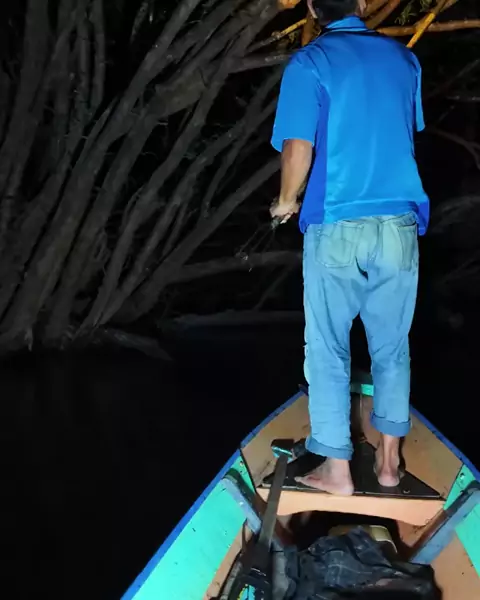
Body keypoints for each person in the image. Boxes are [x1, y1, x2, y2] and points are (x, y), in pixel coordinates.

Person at [270, 0, 429, 495]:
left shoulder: (309, 62)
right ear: (361, 3)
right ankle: (388, 462)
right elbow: (401, 132)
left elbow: (298, 146)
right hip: (399, 220)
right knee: (391, 345)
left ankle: (336, 469)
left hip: (336, 220)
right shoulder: (404, 59)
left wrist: (286, 200)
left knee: (327, 346)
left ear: (313, 8)